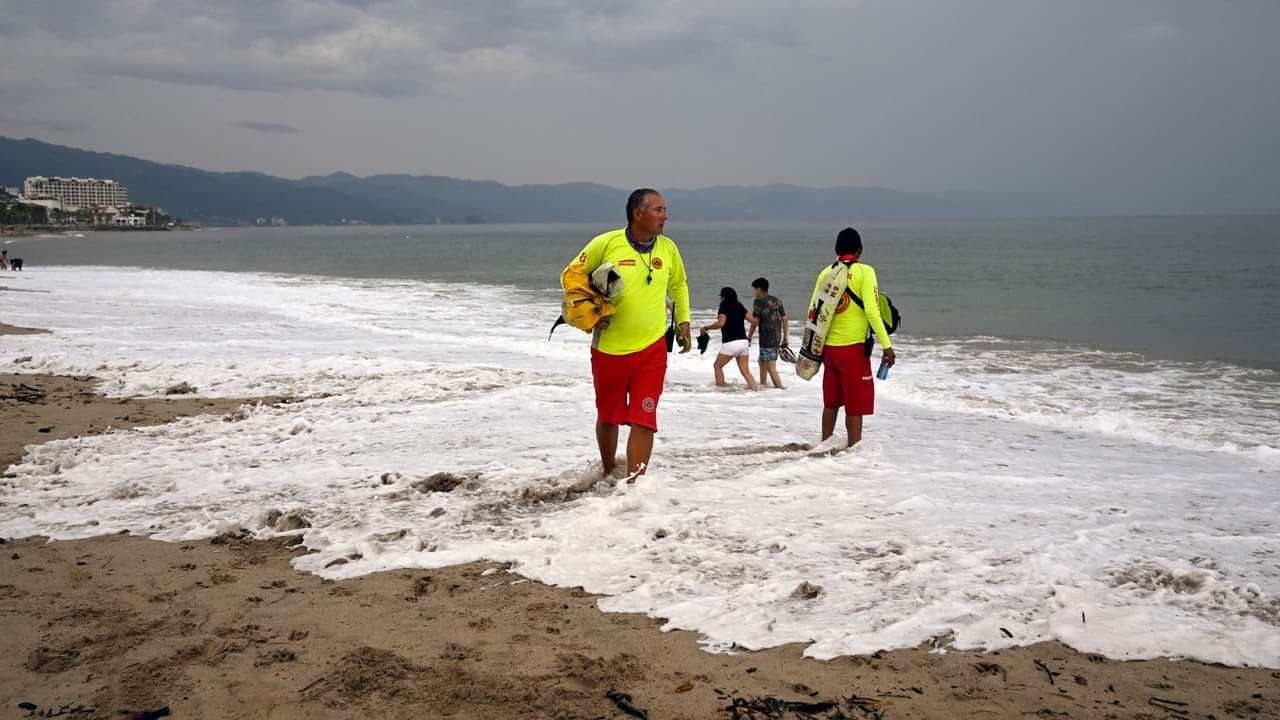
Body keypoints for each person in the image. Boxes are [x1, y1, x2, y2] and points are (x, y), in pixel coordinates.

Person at [562, 189, 691, 481]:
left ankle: (635, 487)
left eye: (664, 210)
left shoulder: (668, 248)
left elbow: (679, 285)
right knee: (609, 416)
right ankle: (609, 471)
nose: (665, 216)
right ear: (638, 214)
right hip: (610, 349)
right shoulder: (606, 244)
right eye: (658, 210)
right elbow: (571, 275)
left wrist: (683, 322)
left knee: (644, 419)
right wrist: (589, 313)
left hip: (653, 348)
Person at [810, 227, 896, 447]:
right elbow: (872, 311)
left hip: (828, 351)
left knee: (831, 403)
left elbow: (813, 311)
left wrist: (813, 351)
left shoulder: (825, 273)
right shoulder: (865, 272)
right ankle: (853, 454)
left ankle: (824, 444)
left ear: (836, 249)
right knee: (854, 406)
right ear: (860, 250)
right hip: (853, 351)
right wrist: (887, 345)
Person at [698, 287, 759, 391]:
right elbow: (754, 322)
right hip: (743, 342)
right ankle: (756, 391)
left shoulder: (723, 307)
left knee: (717, 366)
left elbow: (721, 323)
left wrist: (706, 328)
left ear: (724, 297)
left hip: (731, 343)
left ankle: (720, 390)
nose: (720, 299)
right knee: (745, 371)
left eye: (721, 296)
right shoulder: (739, 307)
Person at [746, 277, 789, 389]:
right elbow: (784, 319)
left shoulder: (759, 301)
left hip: (767, 338)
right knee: (761, 361)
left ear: (759, 289)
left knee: (771, 367)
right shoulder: (777, 300)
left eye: (754, 289)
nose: (753, 292)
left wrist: (749, 337)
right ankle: (763, 386)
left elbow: (755, 322)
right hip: (776, 336)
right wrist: (785, 337)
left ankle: (781, 389)